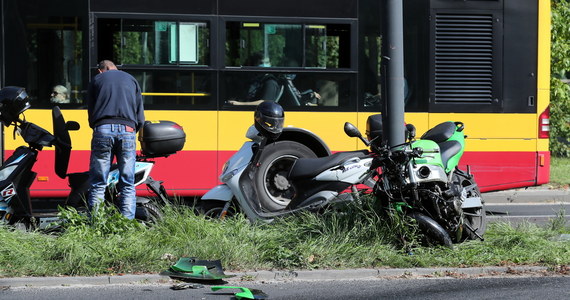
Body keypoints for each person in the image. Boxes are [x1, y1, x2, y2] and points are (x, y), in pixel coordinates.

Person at [86, 60, 145, 220]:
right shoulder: (131, 79)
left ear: (100, 71)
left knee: (98, 182)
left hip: (102, 129)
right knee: (127, 182)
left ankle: (96, 224)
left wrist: (97, 126)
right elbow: (140, 112)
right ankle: (126, 225)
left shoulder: (97, 80)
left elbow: (91, 110)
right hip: (128, 130)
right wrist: (134, 129)